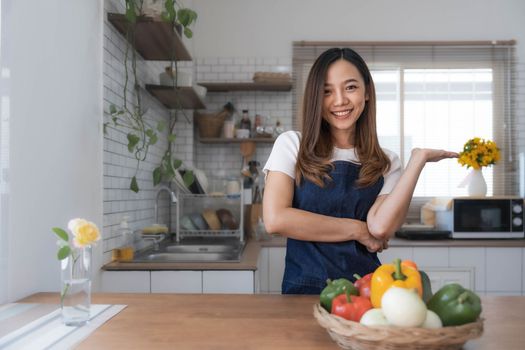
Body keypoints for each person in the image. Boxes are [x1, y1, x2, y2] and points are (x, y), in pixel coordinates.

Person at [262, 47, 458, 295]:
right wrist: (357, 230)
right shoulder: (292, 145)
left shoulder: (387, 161)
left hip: (367, 293)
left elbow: (380, 228)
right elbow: (276, 219)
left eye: (350, 87)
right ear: (315, 97)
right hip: (303, 291)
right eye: (327, 91)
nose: (340, 100)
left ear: (366, 92)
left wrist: (417, 161)